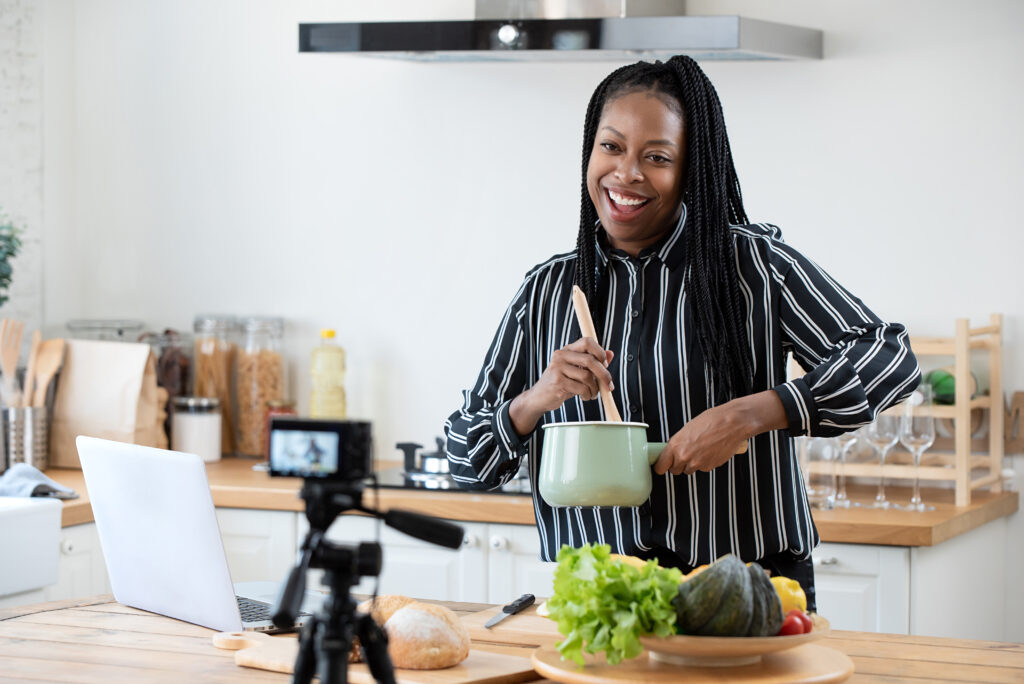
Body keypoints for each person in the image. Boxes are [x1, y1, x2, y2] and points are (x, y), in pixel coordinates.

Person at [443, 56, 920, 611]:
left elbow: (890, 358)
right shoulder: (549, 289)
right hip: (606, 591)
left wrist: (752, 413)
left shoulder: (753, 268)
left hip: (744, 586)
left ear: (690, 167)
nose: (626, 174)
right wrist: (537, 398)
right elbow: (466, 457)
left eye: (658, 157)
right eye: (612, 147)